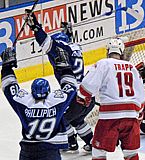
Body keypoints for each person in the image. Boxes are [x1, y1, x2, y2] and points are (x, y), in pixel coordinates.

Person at [1, 47, 77, 160]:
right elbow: (71, 87)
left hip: (27, 157)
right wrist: (65, 68)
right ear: (48, 92)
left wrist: (7, 66)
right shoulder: (56, 102)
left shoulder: (24, 102)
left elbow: (9, 87)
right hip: (50, 156)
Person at [77, 38, 145, 160]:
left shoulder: (103, 63)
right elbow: (141, 96)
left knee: (99, 149)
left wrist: (83, 96)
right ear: (121, 52)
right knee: (130, 149)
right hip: (131, 115)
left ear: (108, 51)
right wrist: (138, 113)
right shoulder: (132, 68)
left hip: (110, 117)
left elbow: (87, 86)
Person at [25, 10, 95, 152]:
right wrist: (68, 32)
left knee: (59, 118)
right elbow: (66, 43)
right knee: (76, 120)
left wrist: (35, 27)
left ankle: (71, 142)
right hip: (88, 95)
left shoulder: (59, 49)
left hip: (75, 97)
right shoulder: (75, 47)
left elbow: (45, 41)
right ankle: (92, 142)